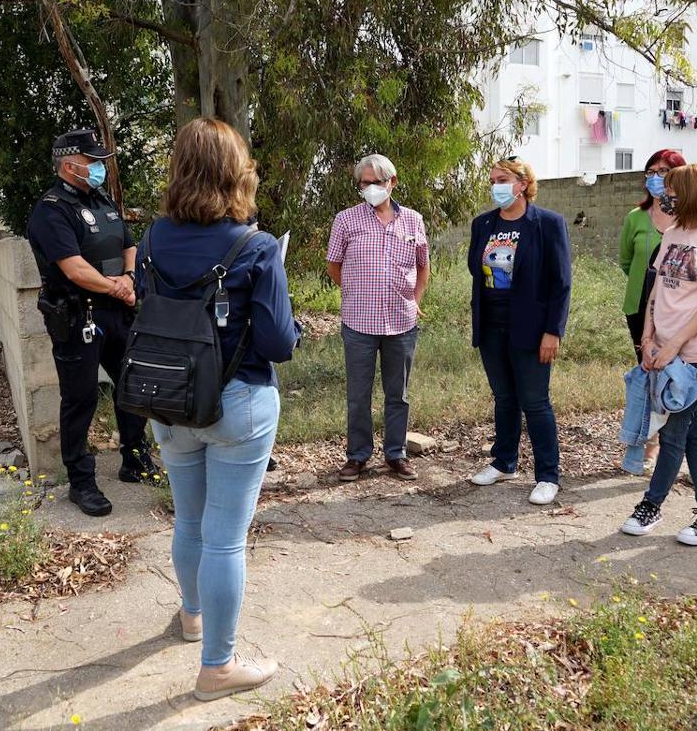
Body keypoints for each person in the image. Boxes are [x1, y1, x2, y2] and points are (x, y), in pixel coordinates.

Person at [136, 118, 299, 701]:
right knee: (225, 539)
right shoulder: (254, 246)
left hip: (167, 400)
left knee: (189, 521)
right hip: (237, 406)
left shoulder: (152, 240)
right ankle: (217, 668)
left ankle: (191, 615)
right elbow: (279, 342)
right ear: (237, 172)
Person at [27, 129, 159, 518]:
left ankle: (135, 461)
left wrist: (131, 279)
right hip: (78, 315)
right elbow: (74, 268)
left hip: (118, 312)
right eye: (93, 162)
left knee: (132, 387)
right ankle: (81, 482)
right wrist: (118, 288)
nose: (100, 168)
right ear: (70, 165)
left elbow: (129, 245)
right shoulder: (51, 210)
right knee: (80, 399)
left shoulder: (102, 200)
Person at [619, 163, 697, 545]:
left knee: (673, 434)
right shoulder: (673, 232)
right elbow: (657, 290)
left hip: (695, 354)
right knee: (694, 435)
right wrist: (649, 336)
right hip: (662, 349)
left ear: (692, 192)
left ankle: (651, 505)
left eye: (672, 188)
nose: (664, 194)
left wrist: (674, 346)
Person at [467, 157, 571, 505]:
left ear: (523, 184)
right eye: (493, 180)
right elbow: (475, 270)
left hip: (531, 327)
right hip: (492, 325)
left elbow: (561, 283)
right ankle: (504, 462)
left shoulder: (547, 224)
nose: (496, 185)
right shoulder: (483, 224)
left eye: (504, 179)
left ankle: (548, 474)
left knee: (535, 402)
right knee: (504, 397)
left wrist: (553, 331)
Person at [325, 154, 430, 482]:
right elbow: (333, 264)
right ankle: (357, 456)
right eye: (364, 183)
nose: (370, 188)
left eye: (376, 182)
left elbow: (422, 265)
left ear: (392, 183)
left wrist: (415, 301)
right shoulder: (346, 220)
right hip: (359, 323)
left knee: (398, 393)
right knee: (358, 394)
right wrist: (356, 291)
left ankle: (395, 454)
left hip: (401, 322)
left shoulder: (413, 221)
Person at [618, 150, 686, 473]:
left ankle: (675, 441)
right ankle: (651, 442)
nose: (656, 177)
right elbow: (626, 261)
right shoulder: (635, 217)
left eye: (664, 170)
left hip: (678, 313)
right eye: (651, 171)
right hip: (639, 306)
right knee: (648, 376)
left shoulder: (689, 217)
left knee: (676, 376)